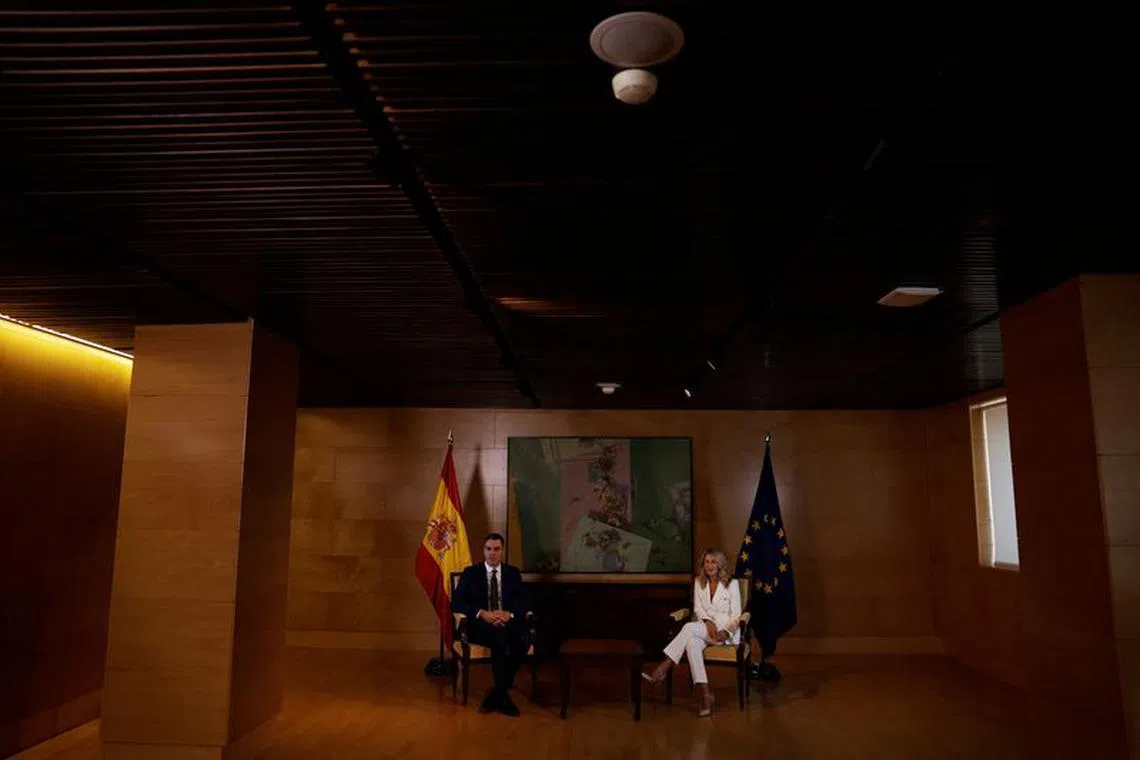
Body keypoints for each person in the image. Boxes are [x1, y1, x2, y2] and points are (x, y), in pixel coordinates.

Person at [642, 549, 742, 716]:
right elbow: (698, 609)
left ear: (720, 564)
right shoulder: (699, 582)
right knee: (692, 644)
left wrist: (725, 632)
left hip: (723, 634)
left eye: (713, 561)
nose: (709, 565)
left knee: (688, 628)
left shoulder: (732, 584)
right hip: (704, 629)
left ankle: (662, 669)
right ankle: (705, 696)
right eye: (707, 562)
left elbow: (737, 615)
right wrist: (708, 622)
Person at [451, 532, 530, 716]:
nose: (492, 553)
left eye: (496, 549)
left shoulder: (512, 573)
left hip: (506, 623)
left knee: (522, 640)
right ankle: (503, 697)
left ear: (502, 551)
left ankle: (497, 694)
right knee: (499, 637)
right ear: (483, 551)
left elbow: (524, 602)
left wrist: (508, 614)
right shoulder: (471, 573)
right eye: (488, 549)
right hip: (480, 626)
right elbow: (456, 602)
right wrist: (481, 613)